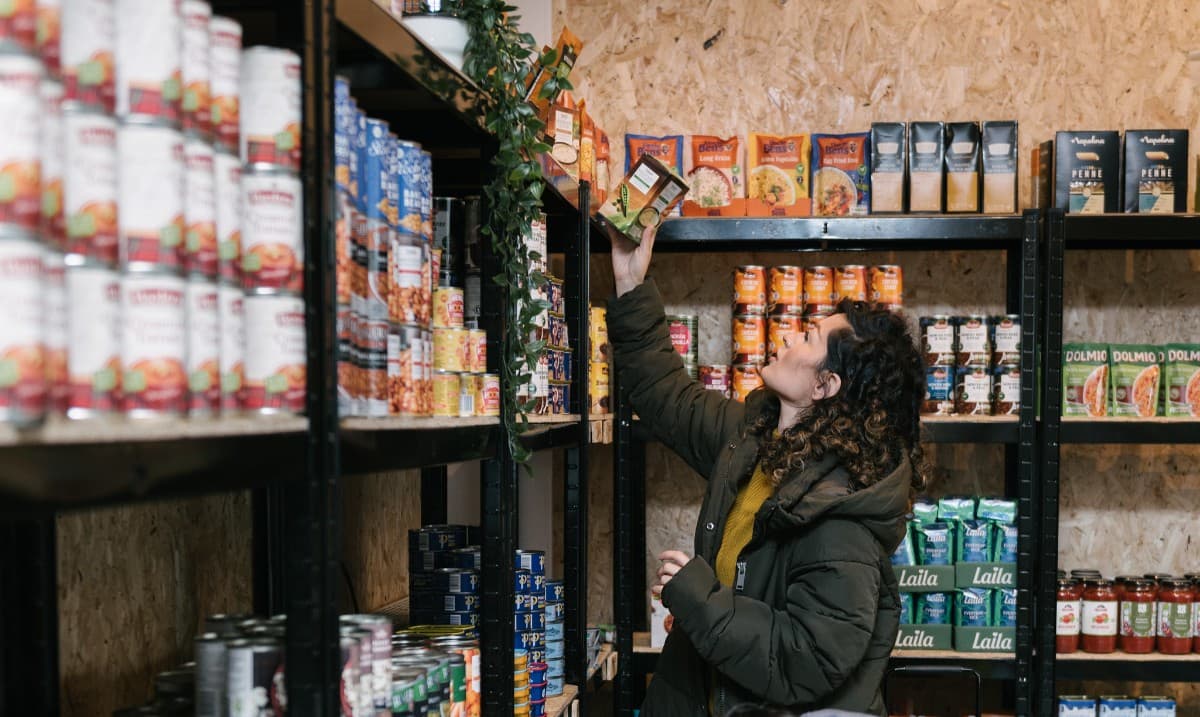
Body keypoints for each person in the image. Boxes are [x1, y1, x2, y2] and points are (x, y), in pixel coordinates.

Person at [607, 225, 928, 716]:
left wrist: (697, 597)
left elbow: (805, 660)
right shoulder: (757, 440)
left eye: (808, 336)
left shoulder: (842, 517)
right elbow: (666, 396)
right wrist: (631, 282)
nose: (787, 337)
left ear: (825, 385)